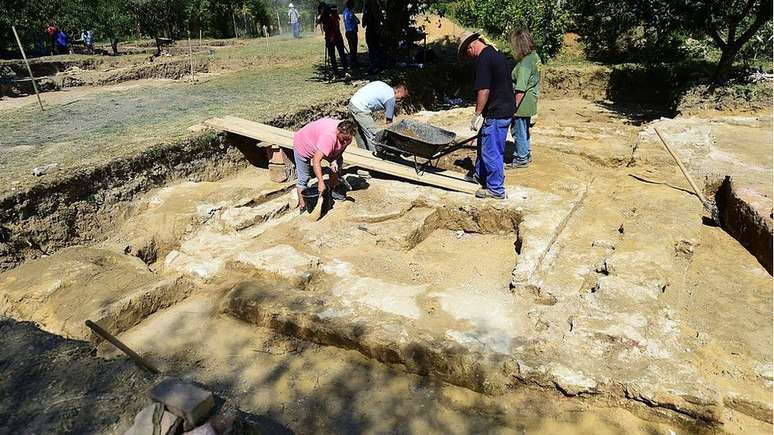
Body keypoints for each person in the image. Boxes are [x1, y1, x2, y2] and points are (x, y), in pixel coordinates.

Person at [458, 31, 515, 200]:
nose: (468, 57)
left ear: (471, 47)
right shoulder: (494, 53)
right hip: (502, 108)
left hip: (498, 111)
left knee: (491, 150)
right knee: (484, 141)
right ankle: (480, 174)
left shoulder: (483, 59)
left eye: (466, 53)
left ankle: (495, 188)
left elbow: (483, 89)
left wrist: (477, 114)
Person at [293, 118, 357, 211]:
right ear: (338, 131)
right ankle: (303, 207)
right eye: (344, 139)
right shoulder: (329, 137)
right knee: (304, 178)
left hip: (318, 141)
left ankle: (333, 190)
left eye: (348, 139)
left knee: (337, 163)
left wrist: (334, 160)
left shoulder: (347, 135)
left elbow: (340, 152)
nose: (346, 142)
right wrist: (320, 182)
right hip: (303, 143)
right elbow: (316, 160)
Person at [507, 29, 541, 169]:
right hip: (531, 100)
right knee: (524, 129)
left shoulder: (526, 63)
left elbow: (520, 88)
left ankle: (521, 158)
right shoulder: (535, 57)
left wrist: (513, 108)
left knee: (518, 130)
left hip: (522, 103)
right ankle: (526, 153)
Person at [348, 81, 409, 153]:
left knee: (360, 134)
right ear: (397, 91)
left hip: (352, 103)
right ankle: (375, 158)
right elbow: (389, 124)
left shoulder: (384, 87)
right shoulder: (391, 97)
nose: (401, 101)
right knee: (374, 136)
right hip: (361, 108)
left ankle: (364, 155)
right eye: (402, 98)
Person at [321, 4, 348, 76]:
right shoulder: (328, 17)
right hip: (333, 39)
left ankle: (344, 70)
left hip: (335, 38)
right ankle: (337, 71)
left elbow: (335, 28)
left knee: (340, 54)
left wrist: (331, 37)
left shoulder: (333, 17)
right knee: (334, 55)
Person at [362, 0, 383, 73]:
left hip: (370, 32)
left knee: (371, 50)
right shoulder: (378, 11)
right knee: (377, 49)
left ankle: (373, 66)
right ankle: (378, 65)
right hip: (376, 32)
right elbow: (381, 20)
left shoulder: (366, 12)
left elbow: (363, 24)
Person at [343, 0, 360, 67]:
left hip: (347, 32)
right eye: (353, 5)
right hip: (352, 32)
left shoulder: (344, 12)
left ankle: (353, 62)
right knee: (354, 48)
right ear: (351, 5)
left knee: (351, 48)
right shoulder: (350, 12)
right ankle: (354, 63)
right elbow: (358, 21)